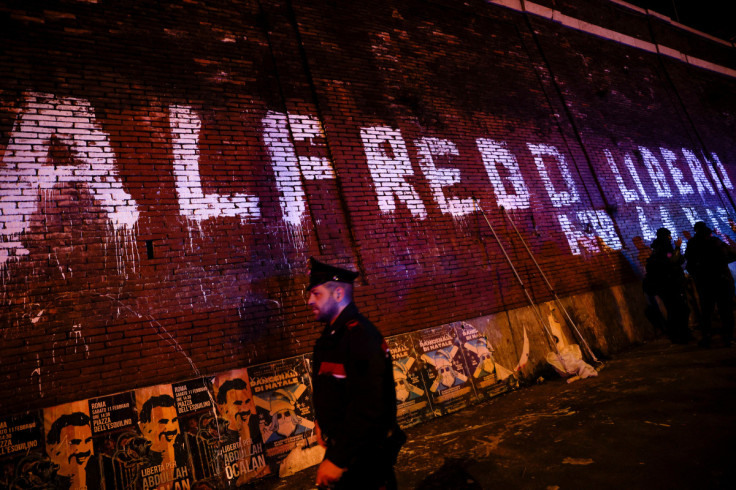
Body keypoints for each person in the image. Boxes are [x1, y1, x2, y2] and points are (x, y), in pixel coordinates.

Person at [306, 257, 405, 489]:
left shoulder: (359, 337)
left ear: (338, 294)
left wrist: (337, 460)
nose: (309, 301)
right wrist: (323, 422)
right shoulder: (333, 336)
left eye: (316, 294)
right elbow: (337, 389)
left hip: (364, 460)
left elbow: (369, 406)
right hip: (347, 452)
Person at [685, 221, 736, 347]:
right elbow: (732, 254)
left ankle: (707, 337)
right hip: (722, 280)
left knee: (707, 311)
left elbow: (689, 264)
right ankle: (729, 337)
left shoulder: (692, 244)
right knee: (726, 310)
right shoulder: (716, 242)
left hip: (705, 283)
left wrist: (698, 273)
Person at [644, 227, 691, 344]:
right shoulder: (665, 248)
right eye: (669, 235)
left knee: (672, 310)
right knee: (681, 310)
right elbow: (673, 260)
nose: (671, 237)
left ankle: (676, 335)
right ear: (666, 236)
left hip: (664, 286)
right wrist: (678, 247)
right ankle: (682, 335)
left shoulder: (656, 249)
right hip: (672, 285)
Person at [46, 412, 99, 489]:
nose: (83, 450)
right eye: (74, 442)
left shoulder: (97, 476)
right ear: (55, 449)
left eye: (88, 441)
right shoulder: (49, 484)